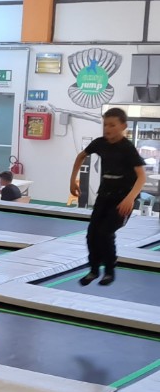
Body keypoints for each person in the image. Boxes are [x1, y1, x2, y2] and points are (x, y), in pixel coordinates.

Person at [69, 107, 146, 287]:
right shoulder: (100, 143)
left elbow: (142, 176)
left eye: (112, 125)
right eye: (105, 125)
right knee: (91, 234)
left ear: (123, 126)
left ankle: (109, 271)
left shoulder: (127, 148)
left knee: (105, 233)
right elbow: (81, 156)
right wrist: (73, 180)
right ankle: (94, 270)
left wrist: (130, 198)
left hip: (123, 201)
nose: (107, 129)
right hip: (104, 196)